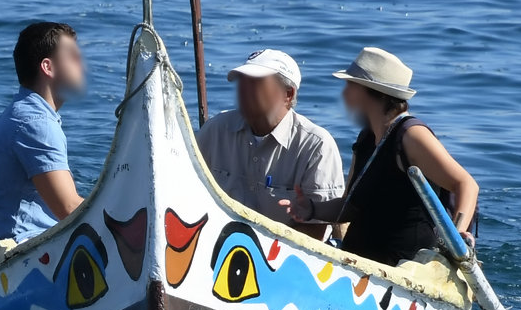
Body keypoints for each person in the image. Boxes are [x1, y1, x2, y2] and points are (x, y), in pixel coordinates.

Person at [281, 47, 479, 266]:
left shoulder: (411, 135)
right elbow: (350, 206)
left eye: (350, 85)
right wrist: (310, 209)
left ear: (373, 93)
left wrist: (457, 239)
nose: (344, 93)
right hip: (360, 268)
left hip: (404, 274)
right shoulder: (367, 137)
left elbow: (466, 184)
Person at [198, 49, 343, 239]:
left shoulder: (316, 147)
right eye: (242, 84)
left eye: (255, 84)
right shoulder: (215, 130)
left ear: (288, 94)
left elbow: (315, 233)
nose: (243, 91)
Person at [0, 22, 86, 252]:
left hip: (2, 247)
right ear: (48, 67)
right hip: (16, 252)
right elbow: (69, 209)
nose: (82, 66)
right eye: (73, 57)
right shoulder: (35, 123)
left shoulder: (25, 113)